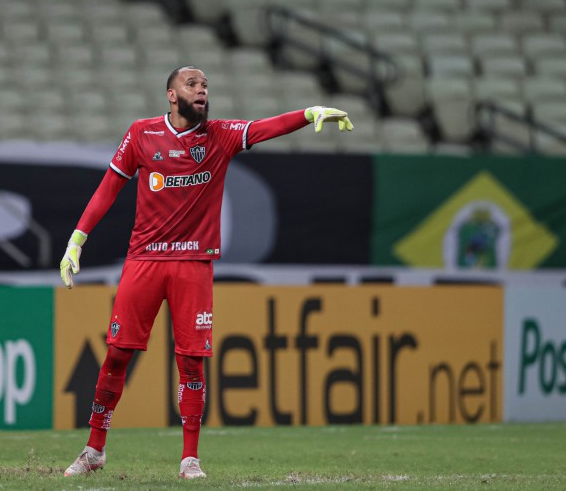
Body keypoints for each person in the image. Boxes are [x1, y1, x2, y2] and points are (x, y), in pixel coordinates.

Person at [59, 65, 353, 479]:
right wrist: (77, 240)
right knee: (117, 354)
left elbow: (265, 128)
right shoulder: (141, 134)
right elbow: (109, 186)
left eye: (205, 86)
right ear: (171, 95)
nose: (202, 91)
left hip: (194, 264)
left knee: (191, 363)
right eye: (192, 84)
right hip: (144, 260)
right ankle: (94, 448)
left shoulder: (219, 135)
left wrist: (309, 113)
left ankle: (190, 458)